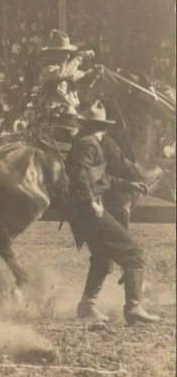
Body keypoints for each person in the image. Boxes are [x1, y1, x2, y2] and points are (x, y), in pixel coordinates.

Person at [65, 100, 157, 324]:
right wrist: (92, 203)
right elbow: (80, 176)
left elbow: (103, 181)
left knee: (103, 259)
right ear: (103, 127)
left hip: (83, 211)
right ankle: (133, 307)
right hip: (89, 211)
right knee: (134, 254)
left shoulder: (88, 143)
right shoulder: (89, 144)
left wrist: (130, 185)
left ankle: (87, 306)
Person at [35, 30, 97, 125]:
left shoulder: (69, 72)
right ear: (53, 54)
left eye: (68, 53)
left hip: (71, 119)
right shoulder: (48, 71)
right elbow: (61, 74)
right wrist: (80, 58)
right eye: (64, 53)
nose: (68, 56)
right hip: (54, 122)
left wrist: (94, 73)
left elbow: (82, 79)